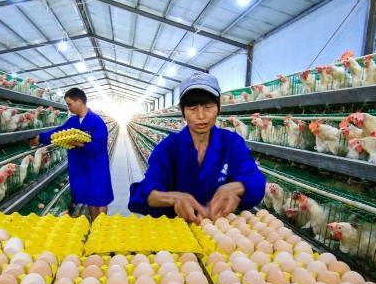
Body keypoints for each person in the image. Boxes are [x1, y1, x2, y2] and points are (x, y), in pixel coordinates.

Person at [129, 72, 265, 222]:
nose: (201, 116)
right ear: (183, 112)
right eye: (192, 108)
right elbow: (142, 193)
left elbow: (255, 180)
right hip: (179, 229)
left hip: (219, 227)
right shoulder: (169, 148)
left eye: (208, 107)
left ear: (218, 108)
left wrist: (237, 187)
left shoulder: (231, 143)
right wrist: (172, 198)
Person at [34, 87, 113, 218]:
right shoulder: (73, 121)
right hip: (81, 167)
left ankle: (101, 227)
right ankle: (94, 224)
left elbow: (98, 147)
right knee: (90, 200)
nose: (68, 107)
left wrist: (79, 143)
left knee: (100, 200)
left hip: (95, 167)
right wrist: (40, 137)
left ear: (79, 101)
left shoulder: (97, 122)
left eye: (69, 104)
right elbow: (59, 132)